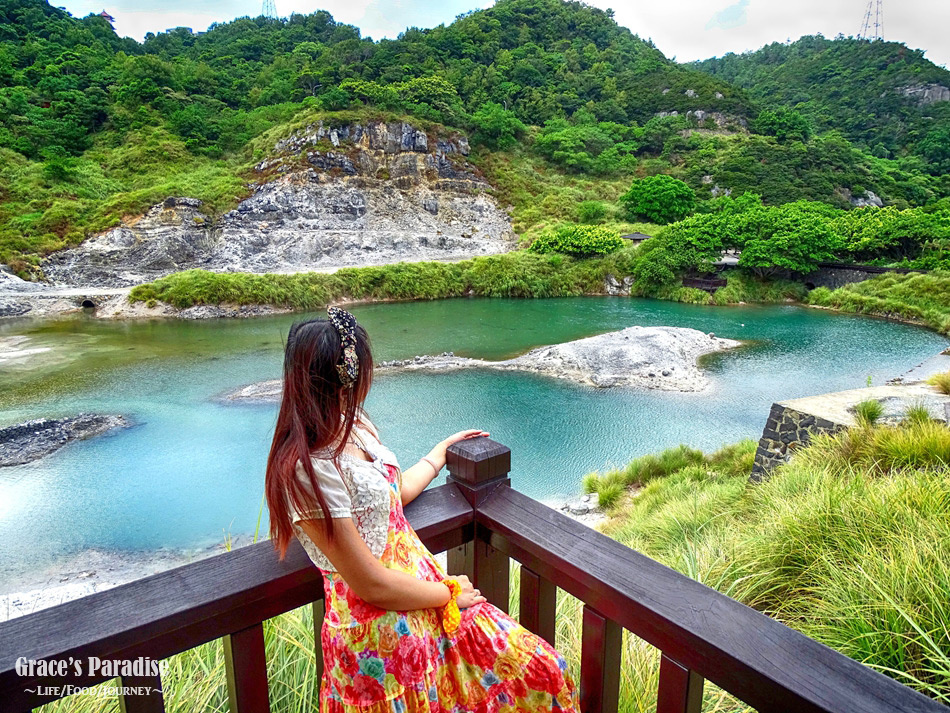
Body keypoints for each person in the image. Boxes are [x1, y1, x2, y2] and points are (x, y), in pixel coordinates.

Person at [265, 307, 579, 712]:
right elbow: (370, 584)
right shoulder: (306, 470)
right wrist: (449, 592)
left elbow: (391, 496)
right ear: (344, 377)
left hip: (422, 599)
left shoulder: (352, 423)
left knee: (544, 669)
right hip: (378, 638)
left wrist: (439, 455)